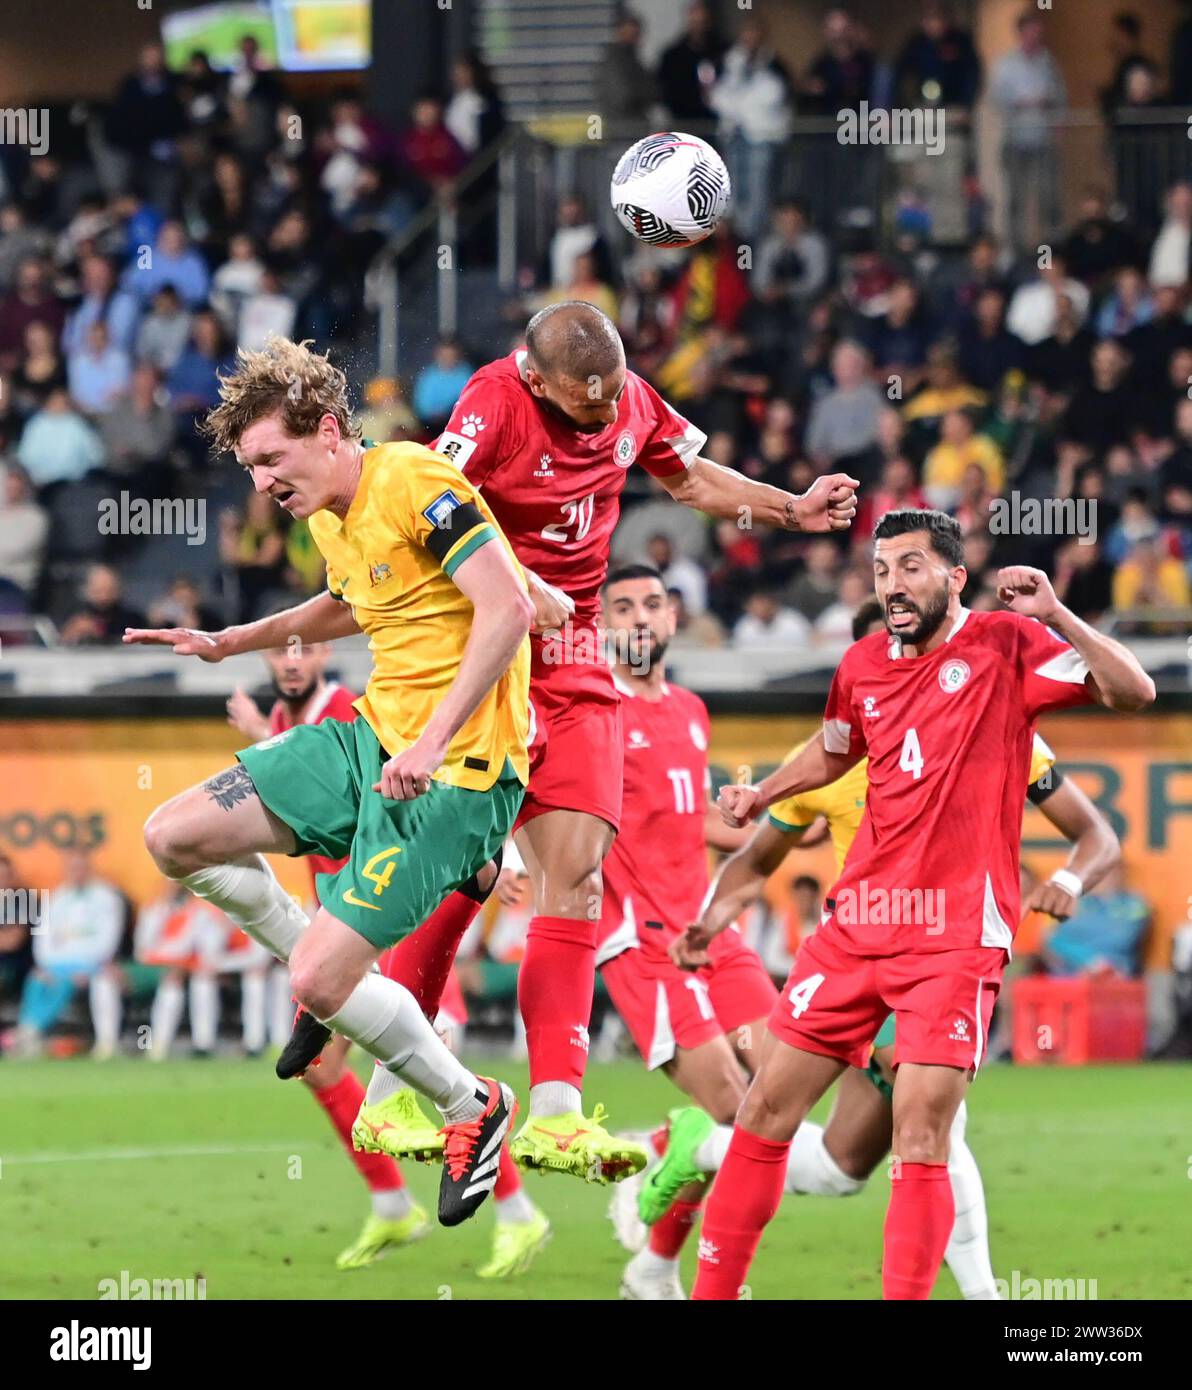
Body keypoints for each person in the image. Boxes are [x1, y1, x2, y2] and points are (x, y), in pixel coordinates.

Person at [679, 507, 1154, 1299]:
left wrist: (1057, 613)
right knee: (764, 1110)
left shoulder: (1008, 645)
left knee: (922, 1135)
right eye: (881, 571)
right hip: (858, 926)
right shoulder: (863, 663)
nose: (893, 585)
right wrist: (763, 793)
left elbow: (1134, 690)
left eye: (909, 567)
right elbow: (836, 744)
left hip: (956, 937)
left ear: (953, 575)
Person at [433, 301, 858, 1178]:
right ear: (533, 376)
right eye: (580, 414)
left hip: (578, 654)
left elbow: (694, 476)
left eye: (610, 406)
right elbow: (428, 517)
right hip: (491, 650)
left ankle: (553, 1109)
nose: (599, 428)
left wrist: (792, 509)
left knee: (576, 873)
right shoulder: (488, 404)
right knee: (459, 863)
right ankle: (411, 1063)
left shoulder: (626, 399)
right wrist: (512, 582)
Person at [124, 336, 534, 1228]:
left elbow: (510, 607)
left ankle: (476, 1110)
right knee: (172, 836)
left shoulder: (417, 480)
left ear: (331, 431)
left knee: (318, 980)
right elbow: (354, 602)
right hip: (369, 743)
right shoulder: (327, 513)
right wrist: (229, 641)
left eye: (273, 457)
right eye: (250, 466)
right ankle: (326, 970)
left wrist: (429, 741)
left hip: (458, 772)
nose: (263, 481)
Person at [227, 626, 549, 1276]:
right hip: (340, 916)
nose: (291, 661)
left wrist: (498, 853)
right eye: (279, 651)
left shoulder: (354, 707)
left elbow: (446, 766)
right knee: (328, 1068)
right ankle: (394, 1202)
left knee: (427, 1058)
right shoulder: (293, 718)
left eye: (303, 647)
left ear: (324, 651)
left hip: (385, 913)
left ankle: (514, 1211)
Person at [581, 565, 776, 1299]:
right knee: (736, 1116)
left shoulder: (691, 711)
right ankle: (690, 1272)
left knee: (783, 1080)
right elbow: (539, 800)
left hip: (711, 934)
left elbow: (686, 822)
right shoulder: (591, 711)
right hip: (642, 940)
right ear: (601, 625)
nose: (638, 619)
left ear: (673, 619)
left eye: (651, 606)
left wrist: (778, 831)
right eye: (621, 607)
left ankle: (659, 1190)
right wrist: (507, 860)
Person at [12, 849, 126, 1059]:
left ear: (89, 869)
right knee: (37, 980)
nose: (77, 872)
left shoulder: (107, 898)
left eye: (81, 867)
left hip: (91, 963)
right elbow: (43, 937)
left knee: (64, 983)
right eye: (72, 868)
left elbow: (109, 939)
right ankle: (29, 1033)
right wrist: (45, 966)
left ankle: (27, 1033)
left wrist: (86, 966)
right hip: (56, 964)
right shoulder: (57, 897)